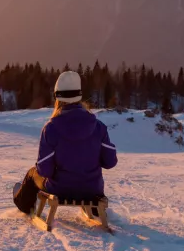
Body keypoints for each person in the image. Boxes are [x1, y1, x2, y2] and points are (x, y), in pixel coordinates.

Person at [13, 71, 117, 215]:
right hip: (92, 189)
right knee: (88, 182)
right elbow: (110, 162)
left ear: (57, 97)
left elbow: (45, 170)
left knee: (32, 174)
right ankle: (95, 210)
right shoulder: (99, 127)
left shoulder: (51, 128)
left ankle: (24, 205)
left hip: (59, 189)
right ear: (79, 96)